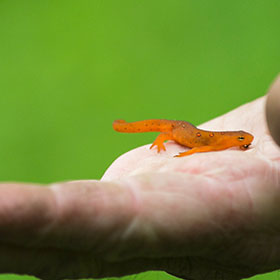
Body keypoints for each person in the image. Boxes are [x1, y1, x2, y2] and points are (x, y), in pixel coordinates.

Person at [1, 76, 280, 280]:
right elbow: (201, 146)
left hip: (187, 131)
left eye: (244, 139)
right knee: (166, 133)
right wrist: (170, 147)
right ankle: (134, 130)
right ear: (234, 137)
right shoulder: (214, 142)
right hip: (175, 129)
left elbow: (215, 144)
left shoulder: (224, 142)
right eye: (242, 139)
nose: (244, 141)